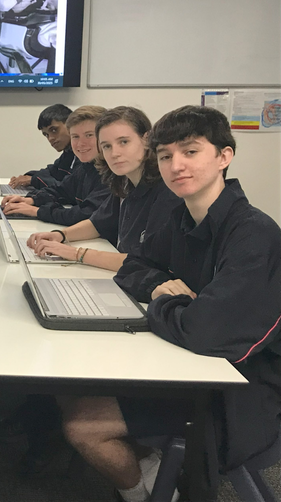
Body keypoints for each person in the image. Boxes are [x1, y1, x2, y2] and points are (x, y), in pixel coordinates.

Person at [62, 106, 281, 502]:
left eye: (190, 152)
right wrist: (168, 291)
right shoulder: (182, 219)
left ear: (224, 156)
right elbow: (134, 268)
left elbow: (206, 331)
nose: (176, 165)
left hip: (239, 395)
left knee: (82, 425)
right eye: (165, 156)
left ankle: (146, 494)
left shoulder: (254, 234)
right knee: (74, 384)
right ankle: (151, 469)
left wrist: (163, 305)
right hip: (188, 367)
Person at [26, 106, 182, 271]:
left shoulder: (167, 190)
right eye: (107, 146)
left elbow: (146, 261)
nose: (114, 153)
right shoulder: (124, 180)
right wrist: (61, 235)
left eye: (123, 142)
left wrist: (77, 253)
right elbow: (99, 223)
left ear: (146, 139)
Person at [1, 105, 110, 226]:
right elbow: (62, 190)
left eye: (89, 135)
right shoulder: (87, 166)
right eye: (75, 136)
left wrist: (37, 211)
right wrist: (31, 200)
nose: (80, 143)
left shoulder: (112, 174)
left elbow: (85, 214)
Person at [9, 103, 76, 190]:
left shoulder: (84, 155)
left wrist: (33, 180)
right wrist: (28, 176)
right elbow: (52, 171)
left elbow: (68, 189)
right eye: (46, 134)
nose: (50, 138)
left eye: (54, 130)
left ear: (70, 124)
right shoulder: (69, 152)